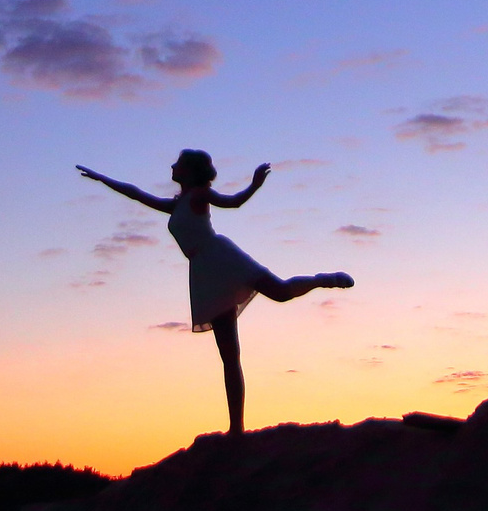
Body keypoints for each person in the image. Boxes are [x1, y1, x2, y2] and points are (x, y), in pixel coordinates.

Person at [77, 150, 352, 436]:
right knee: (230, 355)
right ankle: (236, 428)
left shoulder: (199, 195)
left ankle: (322, 280)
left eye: (178, 164)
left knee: (280, 292)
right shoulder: (178, 203)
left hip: (220, 257)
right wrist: (100, 178)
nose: (172, 166)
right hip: (203, 273)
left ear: (190, 171)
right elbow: (135, 194)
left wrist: (254, 185)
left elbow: (232, 203)